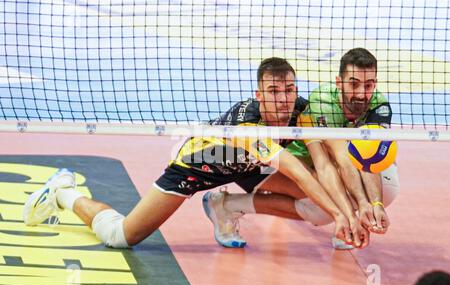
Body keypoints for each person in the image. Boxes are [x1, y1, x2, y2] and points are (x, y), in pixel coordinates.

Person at [22, 57, 367, 250]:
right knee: (121, 237)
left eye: (290, 89)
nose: (284, 98)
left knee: (316, 196)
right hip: (201, 165)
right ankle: (64, 192)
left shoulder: (301, 109)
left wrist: (356, 208)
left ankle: (223, 207)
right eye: (274, 91)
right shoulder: (249, 125)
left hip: (248, 167)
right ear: (259, 94)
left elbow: (322, 162)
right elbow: (297, 170)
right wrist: (343, 216)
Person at [207, 48, 399, 250]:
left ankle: (347, 222)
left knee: (389, 186)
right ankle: (225, 205)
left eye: (369, 85)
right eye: (354, 84)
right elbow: (334, 161)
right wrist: (354, 210)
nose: (361, 93)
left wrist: (374, 204)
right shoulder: (321, 104)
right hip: (269, 161)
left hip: (307, 163)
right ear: (339, 82)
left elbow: (366, 159)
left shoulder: (379, 106)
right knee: (322, 211)